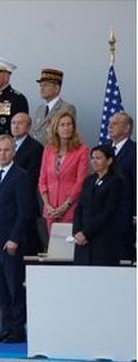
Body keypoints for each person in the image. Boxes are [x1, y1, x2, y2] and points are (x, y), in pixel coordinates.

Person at [0, 134, 33, 343]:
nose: (2, 154)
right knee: (0, 287)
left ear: (13, 152)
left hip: (10, 242)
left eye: (6, 150)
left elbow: (25, 211)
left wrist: (14, 238)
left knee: (13, 286)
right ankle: (5, 327)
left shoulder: (21, 176)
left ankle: (17, 329)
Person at [39, 111, 90, 233]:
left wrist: (65, 206)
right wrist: (47, 204)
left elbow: (81, 181)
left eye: (69, 124)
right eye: (62, 125)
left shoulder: (82, 150)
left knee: (66, 243)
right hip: (51, 209)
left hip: (70, 209)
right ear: (56, 128)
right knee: (52, 243)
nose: (66, 128)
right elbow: (42, 179)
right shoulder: (48, 149)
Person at [73, 144, 124, 266]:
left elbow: (108, 211)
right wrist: (77, 231)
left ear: (109, 160)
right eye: (92, 158)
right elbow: (79, 207)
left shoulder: (116, 181)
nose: (94, 161)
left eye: (98, 158)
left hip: (102, 241)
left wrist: (86, 233)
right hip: (82, 242)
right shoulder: (89, 180)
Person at [11, 112, 45, 252]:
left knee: (27, 242)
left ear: (29, 127)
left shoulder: (35, 147)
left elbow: (32, 176)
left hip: (24, 200)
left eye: (20, 123)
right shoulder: (7, 144)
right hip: (7, 203)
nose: (16, 126)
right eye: (13, 123)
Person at [108, 112, 136, 261]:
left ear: (126, 128)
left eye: (115, 124)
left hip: (124, 217)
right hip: (105, 218)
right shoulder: (104, 150)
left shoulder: (134, 151)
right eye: (109, 123)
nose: (109, 127)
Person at [32, 68, 76, 144]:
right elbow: (34, 133)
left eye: (45, 85)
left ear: (56, 88)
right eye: (41, 85)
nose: (41, 89)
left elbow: (67, 136)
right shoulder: (40, 109)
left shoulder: (67, 108)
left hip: (54, 149)